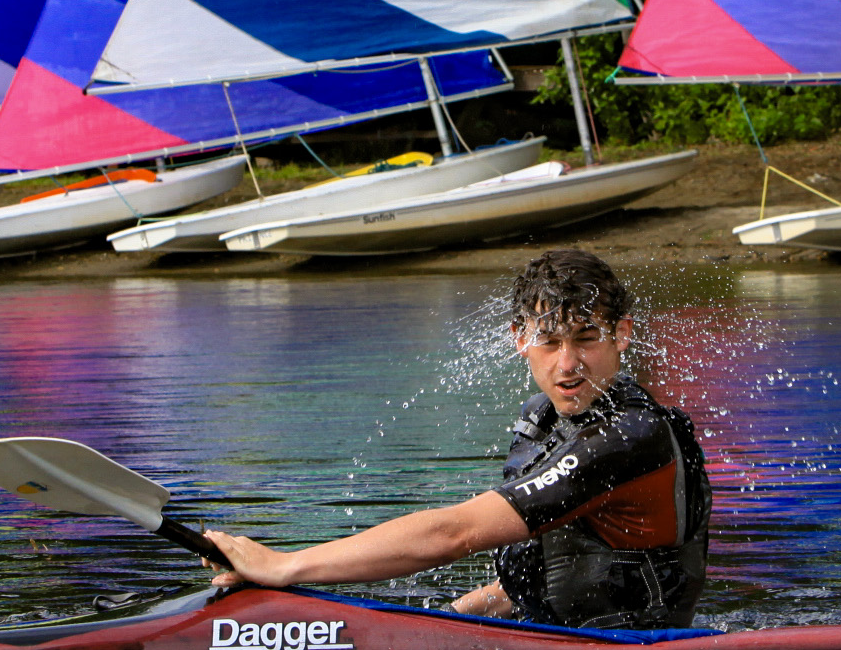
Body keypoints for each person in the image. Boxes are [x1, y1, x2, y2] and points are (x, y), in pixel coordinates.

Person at [202, 247, 713, 629]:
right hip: (568, 647)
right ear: (520, 340)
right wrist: (444, 621)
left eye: (586, 338)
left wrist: (285, 565)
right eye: (549, 341)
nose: (567, 364)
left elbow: (454, 533)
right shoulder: (550, 420)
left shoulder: (629, 437)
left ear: (621, 334)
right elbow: (549, 576)